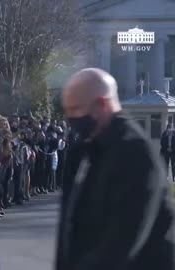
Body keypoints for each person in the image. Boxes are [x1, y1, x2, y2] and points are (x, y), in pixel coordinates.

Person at [56, 68, 175, 270]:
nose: (71, 118)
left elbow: (123, 239)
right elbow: (69, 224)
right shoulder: (83, 150)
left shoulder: (136, 152)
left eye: (76, 109)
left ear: (102, 104)